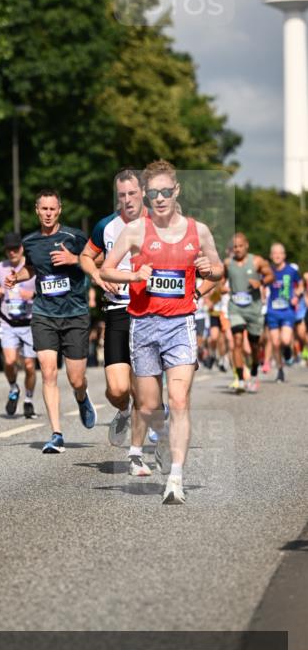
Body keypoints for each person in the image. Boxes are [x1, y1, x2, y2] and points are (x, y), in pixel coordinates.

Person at [100, 160, 223, 504]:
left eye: (166, 192)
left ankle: (176, 479)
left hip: (180, 324)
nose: (160, 198)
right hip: (143, 324)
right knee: (151, 405)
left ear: (176, 191)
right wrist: (135, 278)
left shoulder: (198, 231)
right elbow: (107, 270)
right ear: (145, 194)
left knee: (179, 399)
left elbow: (217, 269)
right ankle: (163, 433)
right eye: (153, 193)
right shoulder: (136, 231)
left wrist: (207, 270)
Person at [5, 189, 96, 454]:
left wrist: (74, 259)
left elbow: (98, 260)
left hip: (75, 314)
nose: (48, 214)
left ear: (60, 210)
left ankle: (81, 397)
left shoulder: (74, 237)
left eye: (52, 209)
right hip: (44, 314)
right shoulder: (30, 242)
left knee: (76, 378)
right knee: (47, 371)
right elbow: (32, 268)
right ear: (36, 210)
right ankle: (56, 433)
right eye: (43, 209)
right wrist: (17, 277)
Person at [81, 168, 147, 452]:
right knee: (118, 389)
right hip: (117, 311)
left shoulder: (160, 223)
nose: (128, 200)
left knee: (142, 385)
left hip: (149, 312)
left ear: (143, 192)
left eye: (132, 193)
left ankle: (146, 426)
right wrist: (96, 277)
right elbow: (86, 256)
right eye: (122, 195)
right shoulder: (106, 226)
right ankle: (123, 411)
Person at [0, 231, 37, 418]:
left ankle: (29, 400)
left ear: (21, 248)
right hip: (8, 321)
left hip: (30, 322)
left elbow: (45, 289)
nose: (12, 253)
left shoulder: (32, 267)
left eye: (15, 249)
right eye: (8, 249)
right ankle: (13, 388)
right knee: (9, 361)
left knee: (29, 365)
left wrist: (32, 295)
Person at [224, 233, 274, 393]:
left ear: (246, 246)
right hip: (235, 307)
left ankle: (253, 373)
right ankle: (240, 378)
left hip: (254, 308)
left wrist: (260, 282)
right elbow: (220, 280)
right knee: (237, 340)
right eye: (235, 247)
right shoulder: (227, 263)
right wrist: (221, 288)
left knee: (254, 345)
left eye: (240, 246)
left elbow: (270, 275)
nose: (237, 249)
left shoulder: (257, 261)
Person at [266, 242, 303, 382]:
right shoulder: (269, 271)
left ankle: (288, 352)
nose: (277, 256)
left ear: (284, 255)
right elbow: (263, 284)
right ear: (271, 256)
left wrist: (296, 295)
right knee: (275, 343)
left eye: (279, 253)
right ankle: (280, 370)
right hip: (272, 310)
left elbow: (300, 285)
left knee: (285, 340)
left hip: (287, 310)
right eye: (274, 253)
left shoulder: (291, 270)